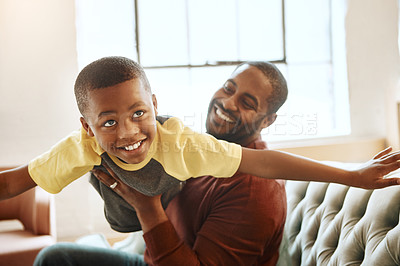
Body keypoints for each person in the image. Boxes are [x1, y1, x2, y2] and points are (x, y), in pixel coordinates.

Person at [33, 61, 400, 266]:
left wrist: (146, 209)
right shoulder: (196, 146)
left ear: (267, 121)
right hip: (147, 253)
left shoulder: (253, 194)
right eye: (228, 87)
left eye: (247, 102)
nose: (227, 103)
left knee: (56, 259)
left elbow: (268, 164)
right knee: (57, 256)